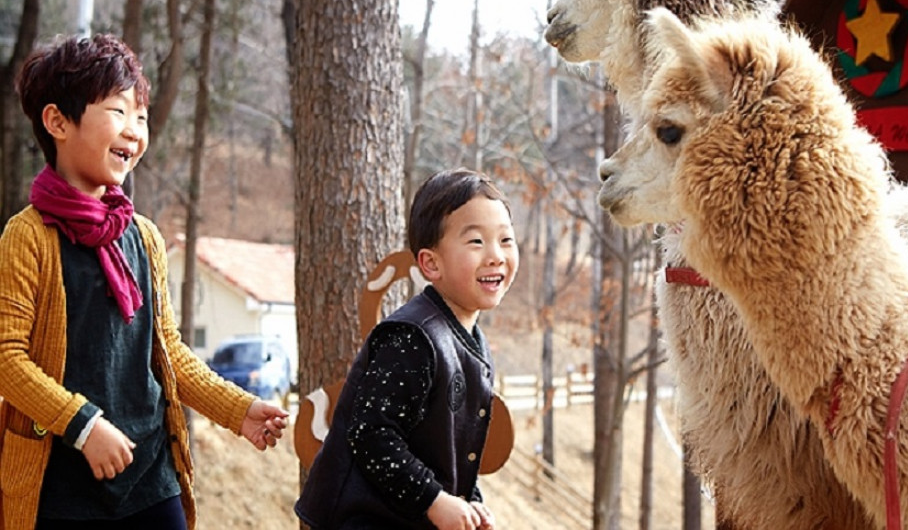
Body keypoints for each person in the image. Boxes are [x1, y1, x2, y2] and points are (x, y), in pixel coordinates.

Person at [0, 34, 289, 530]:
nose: (134, 130)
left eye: (142, 116)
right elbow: (7, 358)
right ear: (57, 122)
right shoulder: (27, 237)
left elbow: (168, 354)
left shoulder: (144, 237)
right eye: (117, 111)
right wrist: (84, 426)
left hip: (152, 478)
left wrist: (237, 410)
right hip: (61, 488)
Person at [296, 168, 519, 530]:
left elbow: (450, 449)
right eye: (476, 242)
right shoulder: (412, 337)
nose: (495, 255)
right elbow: (371, 434)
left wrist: (469, 502)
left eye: (506, 240)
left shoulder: (472, 338)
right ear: (431, 263)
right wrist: (434, 499)